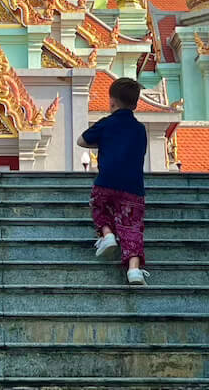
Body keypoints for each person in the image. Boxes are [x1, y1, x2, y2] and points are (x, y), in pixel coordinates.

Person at [77, 77, 149, 286]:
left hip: (106, 181)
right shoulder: (140, 129)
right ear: (135, 104)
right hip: (133, 187)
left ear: (111, 102)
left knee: (99, 207)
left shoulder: (106, 124)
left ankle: (107, 234)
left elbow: (81, 140)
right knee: (132, 227)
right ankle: (134, 270)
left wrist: (103, 143)